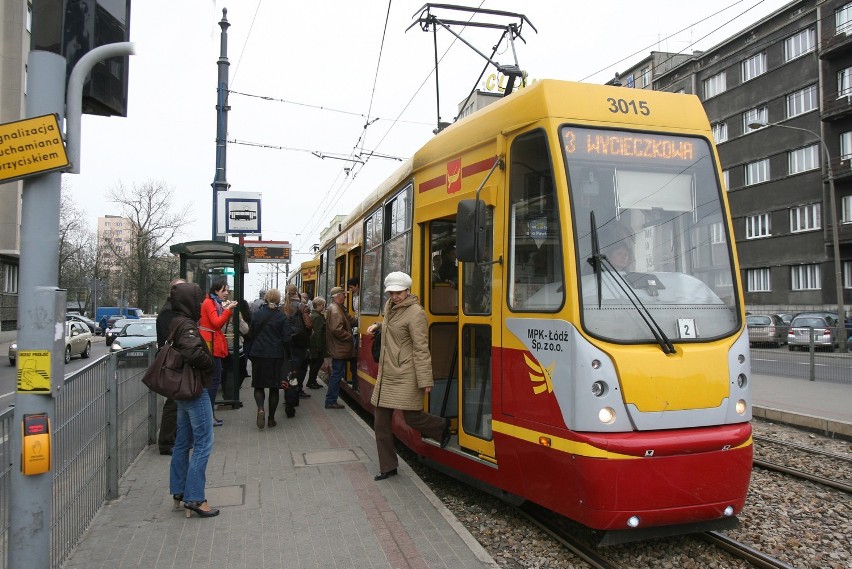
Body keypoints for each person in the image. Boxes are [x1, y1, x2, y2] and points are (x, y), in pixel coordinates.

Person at [366, 272, 451, 480]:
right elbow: (395, 327)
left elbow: (421, 348)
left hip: (406, 373)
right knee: (380, 423)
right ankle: (388, 467)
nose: (395, 296)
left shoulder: (416, 313)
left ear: (408, 291)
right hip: (388, 373)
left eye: (399, 292)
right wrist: (379, 326)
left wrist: (425, 380)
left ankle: (442, 426)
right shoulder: (390, 308)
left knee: (412, 417)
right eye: (392, 292)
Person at [167, 282, 218, 518]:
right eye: (197, 300)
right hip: (195, 390)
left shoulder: (175, 321)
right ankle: (195, 498)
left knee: (182, 442)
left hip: (182, 391)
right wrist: (209, 364)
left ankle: (179, 491)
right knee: (203, 443)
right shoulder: (187, 325)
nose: (199, 305)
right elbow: (192, 352)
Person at [248, 288, 291, 429]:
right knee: (274, 388)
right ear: (279, 300)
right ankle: (271, 419)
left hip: (258, 354)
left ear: (265, 299)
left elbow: (251, 334)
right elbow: (286, 339)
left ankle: (260, 408)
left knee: (259, 385)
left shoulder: (257, 314)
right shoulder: (282, 317)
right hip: (275, 356)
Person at [199, 278, 237, 427]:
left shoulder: (212, 302)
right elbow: (216, 323)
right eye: (224, 290)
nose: (226, 293)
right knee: (213, 380)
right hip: (211, 345)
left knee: (214, 379)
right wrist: (228, 311)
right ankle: (209, 416)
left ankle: (210, 415)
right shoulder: (209, 303)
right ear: (216, 290)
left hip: (213, 343)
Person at [155, 277, 185, 455]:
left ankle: (173, 439)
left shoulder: (173, 310)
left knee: (176, 402)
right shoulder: (168, 313)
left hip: (175, 361)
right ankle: (166, 443)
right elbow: (171, 340)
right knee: (172, 403)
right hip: (172, 362)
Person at [281, 284, 312, 406]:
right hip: (300, 342)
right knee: (299, 368)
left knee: (289, 370)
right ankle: (295, 394)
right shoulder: (301, 306)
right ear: (296, 293)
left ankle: (288, 395)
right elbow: (309, 325)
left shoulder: (282, 307)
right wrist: (308, 334)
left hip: (287, 342)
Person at [324, 286, 355, 409]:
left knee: (337, 373)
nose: (345, 296)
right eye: (343, 294)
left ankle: (331, 399)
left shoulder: (337, 308)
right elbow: (336, 330)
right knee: (337, 374)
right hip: (340, 348)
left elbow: (348, 320)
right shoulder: (336, 310)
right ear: (338, 297)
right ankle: (331, 400)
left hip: (339, 348)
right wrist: (350, 336)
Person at [221, 299, 252, 401]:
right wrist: (240, 319)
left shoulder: (222, 315)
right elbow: (246, 330)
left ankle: (228, 390)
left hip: (224, 347)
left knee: (227, 370)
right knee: (240, 370)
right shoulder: (235, 318)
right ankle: (231, 391)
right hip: (235, 348)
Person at [305, 296, 327, 390]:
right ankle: (311, 381)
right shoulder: (317, 317)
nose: (323, 307)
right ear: (318, 305)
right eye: (322, 305)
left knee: (315, 363)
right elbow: (317, 333)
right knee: (316, 363)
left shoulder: (314, 315)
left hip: (314, 344)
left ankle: (312, 381)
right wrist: (319, 347)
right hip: (317, 345)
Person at [346, 277, 361, 391]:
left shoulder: (362, 296)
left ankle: (356, 384)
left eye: (351, 287)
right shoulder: (356, 296)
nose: (350, 290)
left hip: (358, 330)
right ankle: (355, 383)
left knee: (354, 359)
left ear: (357, 285)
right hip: (356, 330)